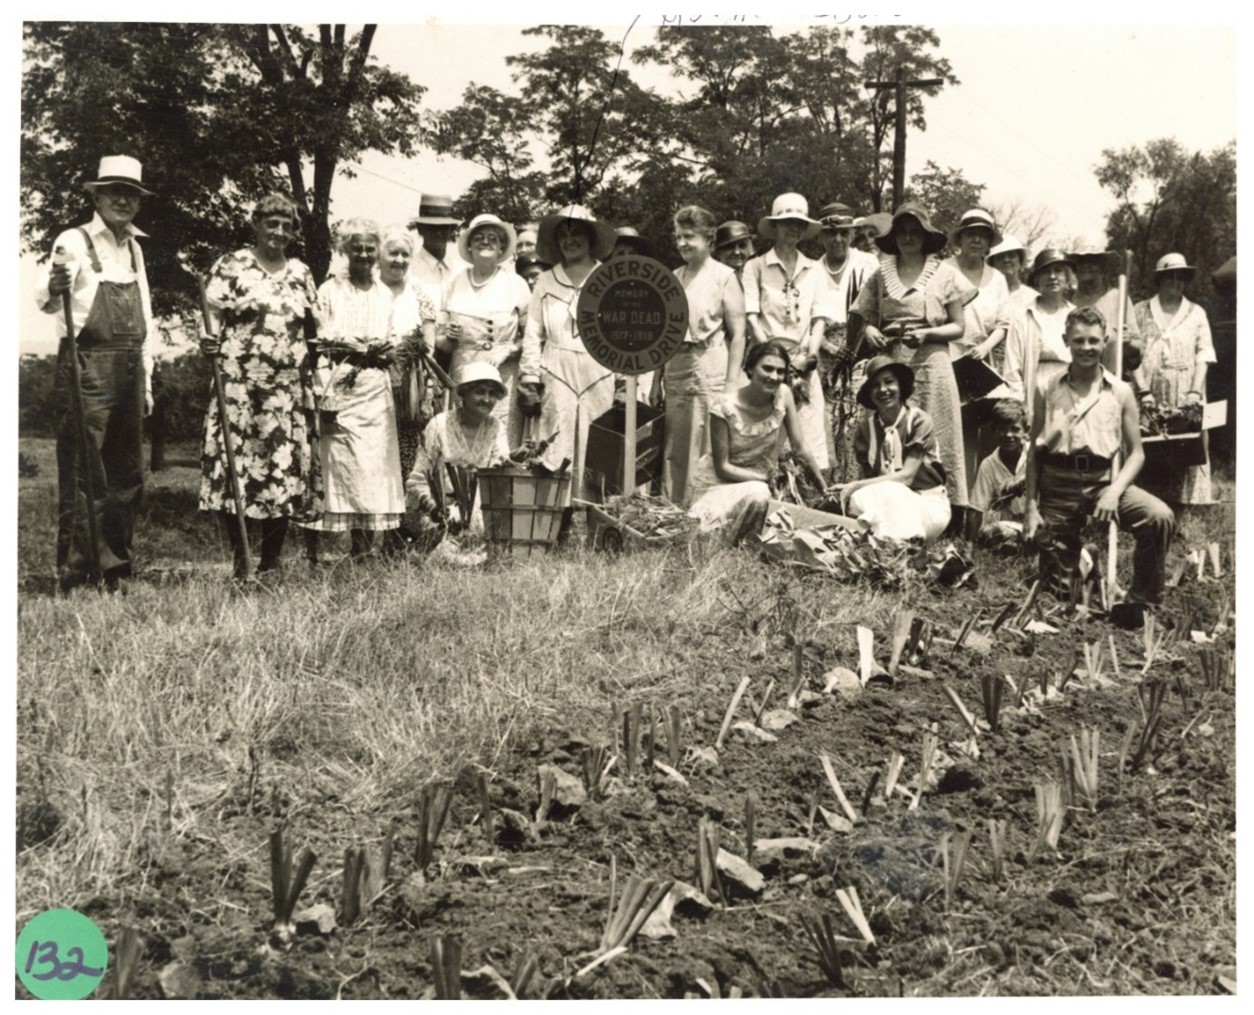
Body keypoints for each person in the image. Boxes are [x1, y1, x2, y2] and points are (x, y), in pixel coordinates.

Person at [35, 155, 155, 591]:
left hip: (128, 368)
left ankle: (116, 569)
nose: (123, 199)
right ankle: (77, 571)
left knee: (127, 473)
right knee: (87, 471)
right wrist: (54, 285)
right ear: (97, 195)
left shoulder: (136, 249)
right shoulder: (74, 239)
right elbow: (44, 296)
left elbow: (148, 319)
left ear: (138, 202)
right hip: (86, 364)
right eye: (115, 190)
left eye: (132, 193)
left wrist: (147, 377)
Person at [197, 192, 321, 579]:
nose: (279, 232)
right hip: (238, 388)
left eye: (287, 226)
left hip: (285, 393)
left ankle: (270, 563)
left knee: (279, 472)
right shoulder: (232, 265)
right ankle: (241, 560)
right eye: (272, 223)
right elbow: (210, 315)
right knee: (239, 471)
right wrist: (208, 337)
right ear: (256, 225)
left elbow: (314, 329)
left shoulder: (301, 272)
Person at [1023, 306, 1175, 608]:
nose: (1086, 348)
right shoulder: (1047, 387)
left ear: (1105, 341)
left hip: (1104, 482)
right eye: (1078, 340)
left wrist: (1114, 492)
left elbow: (1137, 455)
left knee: (1159, 517)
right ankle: (1086, 559)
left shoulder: (1121, 391)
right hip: (1058, 485)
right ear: (1066, 340)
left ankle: (1143, 600)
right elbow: (1034, 450)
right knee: (1063, 597)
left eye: (1093, 340)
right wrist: (1030, 506)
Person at [846, 203, 976, 517]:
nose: (907, 238)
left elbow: (959, 326)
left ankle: (948, 507)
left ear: (925, 236)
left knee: (936, 429)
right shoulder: (881, 274)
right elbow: (863, 317)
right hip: (892, 361)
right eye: (901, 232)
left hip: (932, 361)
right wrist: (872, 330)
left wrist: (928, 334)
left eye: (914, 232)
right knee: (891, 427)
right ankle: (885, 501)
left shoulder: (944, 273)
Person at [302, 219, 403, 561]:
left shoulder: (384, 294)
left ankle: (362, 551)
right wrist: (323, 393)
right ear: (344, 251)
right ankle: (319, 554)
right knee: (334, 466)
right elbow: (321, 340)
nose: (363, 254)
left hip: (376, 390)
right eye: (356, 247)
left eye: (369, 248)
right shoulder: (330, 290)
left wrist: (380, 352)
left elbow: (391, 341)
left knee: (372, 468)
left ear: (378, 253)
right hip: (339, 385)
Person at [517, 204, 618, 519]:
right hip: (556, 368)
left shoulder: (609, 275)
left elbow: (623, 332)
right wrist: (530, 378)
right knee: (555, 441)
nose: (570, 241)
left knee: (598, 442)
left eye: (577, 234)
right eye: (564, 235)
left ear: (590, 237)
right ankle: (553, 521)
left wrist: (626, 380)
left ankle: (597, 520)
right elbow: (533, 332)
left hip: (599, 368)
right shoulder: (546, 281)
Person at [653, 205, 746, 506]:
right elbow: (662, 336)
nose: (681, 243)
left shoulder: (725, 277)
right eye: (678, 237)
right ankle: (675, 510)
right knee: (677, 445)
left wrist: (732, 383)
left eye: (689, 237)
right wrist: (656, 381)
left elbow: (739, 334)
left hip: (713, 367)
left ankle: (709, 512)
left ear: (709, 239)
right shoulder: (673, 278)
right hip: (677, 368)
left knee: (710, 444)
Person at [689, 341, 827, 544]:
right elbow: (722, 467)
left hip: (760, 481)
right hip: (720, 484)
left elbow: (800, 447)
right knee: (757, 497)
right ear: (751, 368)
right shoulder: (724, 407)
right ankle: (738, 547)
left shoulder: (784, 395)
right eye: (767, 368)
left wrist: (824, 489)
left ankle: (748, 544)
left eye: (780, 371)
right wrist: (763, 479)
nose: (774, 377)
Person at [743, 193, 833, 473]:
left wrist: (810, 356)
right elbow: (752, 317)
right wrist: (776, 358)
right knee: (765, 434)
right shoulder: (755, 267)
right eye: (786, 222)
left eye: (798, 223)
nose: (792, 229)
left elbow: (819, 318)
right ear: (775, 227)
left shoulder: (814, 269)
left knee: (805, 436)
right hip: (767, 363)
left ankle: (807, 501)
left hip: (803, 363)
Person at [834, 356, 951, 542]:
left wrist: (855, 485)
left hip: (926, 506)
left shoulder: (919, 421)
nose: (883, 390)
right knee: (857, 499)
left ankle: (900, 546)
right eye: (875, 385)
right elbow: (870, 481)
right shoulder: (865, 430)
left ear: (901, 386)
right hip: (886, 501)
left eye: (889, 382)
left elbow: (906, 477)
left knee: (891, 490)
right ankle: (885, 541)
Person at [440, 213, 533, 447]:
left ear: (502, 246)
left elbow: (532, 335)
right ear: (469, 245)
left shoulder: (516, 284)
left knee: (500, 444)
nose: (485, 241)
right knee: (461, 444)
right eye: (478, 237)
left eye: (493, 237)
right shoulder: (453, 284)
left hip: (502, 377)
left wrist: (508, 350)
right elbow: (439, 341)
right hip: (463, 376)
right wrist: (448, 337)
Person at [1133, 252, 1217, 504]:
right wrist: (1143, 390)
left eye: (1181, 278)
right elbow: (1131, 356)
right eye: (1169, 278)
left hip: (1187, 390)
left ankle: (1183, 505)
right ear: (1159, 281)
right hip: (1149, 391)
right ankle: (1149, 506)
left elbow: (1204, 353)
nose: (1176, 283)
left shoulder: (1196, 312)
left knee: (1187, 444)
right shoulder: (1140, 310)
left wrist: (1195, 391)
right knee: (1150, 443)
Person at [405, 361, 511, 545]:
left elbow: (500, 475)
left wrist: (516, 460)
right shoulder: (439, 425)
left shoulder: (496, 427)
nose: (486, 399)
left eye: (492, 393)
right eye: (479, 391)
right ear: (463, 394)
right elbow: (417, 479)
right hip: (439, 509)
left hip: (480, 509)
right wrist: (434, 507)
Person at [813, 203, 880, 482]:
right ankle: (824, 489)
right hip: (823, 353)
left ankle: (853, 487)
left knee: (855, 421)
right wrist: (827, 347)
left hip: (859, 351)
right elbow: (807, 317)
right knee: (824, 423)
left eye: (843, 232)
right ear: (821, 236)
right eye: (830, 233)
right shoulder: (813, 269)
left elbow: (877, 308)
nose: (837, 239)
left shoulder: (868, 263)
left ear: (852, 233)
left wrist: (867, 332)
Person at [379, 226, 437, 481]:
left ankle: (403, 514)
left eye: (405, 254)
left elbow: (429, 345)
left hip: (409, 388)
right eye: (393, 253)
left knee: (407, 449)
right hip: (373, 382)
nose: (399, 260)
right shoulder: (368, 289)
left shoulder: (419, 293)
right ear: (380, 255)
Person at [1003, 249, 1076, 421]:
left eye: (1058, 270)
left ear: (1067, 277)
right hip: (1036, 392)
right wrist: (1018, 406)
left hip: (1072, 392)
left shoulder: (1077, 315)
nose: (1052, 276)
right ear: (1037, 279)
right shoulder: (1024, 315)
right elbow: (1012, 367)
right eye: (1046, 272)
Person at [409, 194, 466, 367]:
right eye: (432, 228)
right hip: (419, 357)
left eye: (445, 227)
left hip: (457, 358)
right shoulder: (409, 270)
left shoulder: (462, 270)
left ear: (451, 230)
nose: (439, 233)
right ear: (420, 229)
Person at [1069, 238, 1141, 374]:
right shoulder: (1068, 301)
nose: (1086, 265)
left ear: (1102, 266)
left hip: (1112, 382)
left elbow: (1138, 350)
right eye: (1081, 261)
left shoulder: (1119, 298)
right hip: (1075, 384)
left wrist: (1129, 342)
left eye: (1092, 260)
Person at [964, 398, 1028, 546]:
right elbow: (975, 509)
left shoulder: (1035, 457)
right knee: (987, 534)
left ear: (1026, 431)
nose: (1008, 435)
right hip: (1010, 526)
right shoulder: (989, 464)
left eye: (1015, 429)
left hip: (1039, 521)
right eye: (1002, 429)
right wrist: (968, 547)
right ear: (993, 430)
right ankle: (1019, 545)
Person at [987, 234, 1038, 326]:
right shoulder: (985, 293)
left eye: (1012, 256)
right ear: (992, 264)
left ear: (1020, 261)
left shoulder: (1033, 297)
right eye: (1000, 257)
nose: (1006, 260)